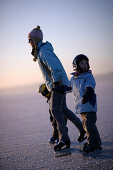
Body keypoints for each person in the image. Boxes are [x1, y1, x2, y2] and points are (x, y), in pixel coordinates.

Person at [28, 26, 86, 151]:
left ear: (34, 40)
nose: (28, 43)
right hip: (58, 84)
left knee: (56, 111)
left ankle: (64, 139)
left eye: (29, 40)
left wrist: (55, 85)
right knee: (63, 109)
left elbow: (56, 68)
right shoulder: (41, 52)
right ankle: (82, 129)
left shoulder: (43, 52)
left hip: (57, 85)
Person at [70, 54, 102, 153]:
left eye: (86, 63)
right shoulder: (74, 78)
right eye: (82, 63)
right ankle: (97, 144)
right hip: (81, 107)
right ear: (76, 65)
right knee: (88, 125)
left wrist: (88, 94)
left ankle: (91, 144)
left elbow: (90, 86)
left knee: (89, 126)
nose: (84, 65)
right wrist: (60, 88)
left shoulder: (88, 76)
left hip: (89, 105)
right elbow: (69, 87)